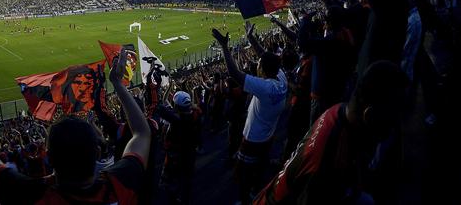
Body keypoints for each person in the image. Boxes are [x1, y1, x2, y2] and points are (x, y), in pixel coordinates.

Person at [0, 47, 151, 204]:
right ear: (98, 153)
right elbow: (142, 133)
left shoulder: (30, 193)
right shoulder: (119, 184)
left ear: (48, 158)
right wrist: (118, 83)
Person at [253, 61, 409, 204]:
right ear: (369, 115)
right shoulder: (326, 169)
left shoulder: (339, 111)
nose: (393, 129)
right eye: (392, 121)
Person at [213, 26, 287, 204]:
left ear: (265, 70)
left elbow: (234, 73)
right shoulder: (281, 77)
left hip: (253, 139)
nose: (257, 66)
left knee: (243, 173)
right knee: (259, 167)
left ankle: (245, 199)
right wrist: (251, 37)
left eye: (259, 65)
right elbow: (265, 56)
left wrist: (224, 46)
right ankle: (257, 190)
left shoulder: (265, 87)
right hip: (268, 135)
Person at [157, 90, 202, 204]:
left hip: (176, 156)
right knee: (187, 179)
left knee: (171, 182)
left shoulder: (178, 119)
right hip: (190, 153)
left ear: (177, 106)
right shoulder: (195, 115)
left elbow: (160, 107)